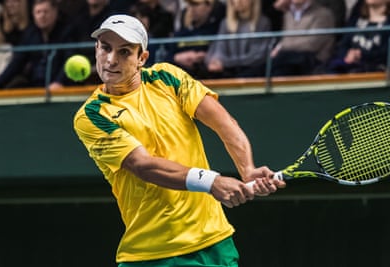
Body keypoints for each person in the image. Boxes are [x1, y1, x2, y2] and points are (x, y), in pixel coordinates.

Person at [73, 14, 286, 266]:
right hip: (153, 255)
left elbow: (223, 122)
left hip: (214, 242)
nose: (111, 60)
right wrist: (212, 181)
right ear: (96, 49)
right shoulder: (92, 115)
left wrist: (247, 169)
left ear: (142, 59)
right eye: (105, 48)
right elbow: (143, 166)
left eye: (125, 52)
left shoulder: (167, 77)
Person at [0, 0, 77, 93]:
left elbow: (69, 60)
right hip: (36, 86)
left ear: (55, 12)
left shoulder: (67, 31)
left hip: (62, 87)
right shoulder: (30, 33)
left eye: (45, 12)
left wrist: (59, 82)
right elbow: (16, 63)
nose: (42, 16)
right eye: (38, 12)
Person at [327, 0, 390, 74]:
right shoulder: (355, 20)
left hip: (375, 70)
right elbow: (343, 44)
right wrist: (348, 54)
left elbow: (387, 51)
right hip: (348, 66)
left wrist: (360, 55)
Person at [204, 0, 272, 78]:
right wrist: (217, 62)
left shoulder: (263, 22)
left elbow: (257, 57)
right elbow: (219, 51)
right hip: (227, 71)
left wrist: (226, 63)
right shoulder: (225, 23)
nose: (237, 1)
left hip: (251, 71)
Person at [270, 0, 336, 76]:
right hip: (288, 57)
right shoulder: (288, 14)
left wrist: (281, 47)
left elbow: (312, 44)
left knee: (282, 63)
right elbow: (285, 37)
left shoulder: (323, 14)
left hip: (313, 59)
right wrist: (278, 48)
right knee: (268, 63)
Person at [165, 0, 225, 78]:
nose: (191, 8)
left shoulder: (216, 29)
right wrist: (177, 58)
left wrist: (207, 57)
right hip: (182, 78)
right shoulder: (182, 33)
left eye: (195, 5)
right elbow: (166, 58)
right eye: (189, 4)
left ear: (209, 6)